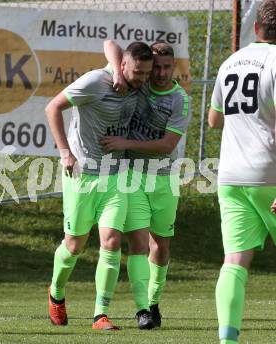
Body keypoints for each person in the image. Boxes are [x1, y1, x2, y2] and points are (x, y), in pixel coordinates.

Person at [45, 42, 153, 330]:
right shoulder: (95, 81)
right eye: (138, 73)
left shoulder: (137, 85)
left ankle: (100, 314)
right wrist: (65, 152)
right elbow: (52, 107)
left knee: (112, 241)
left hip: (115, 175)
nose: (143, 79)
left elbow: (113, 45)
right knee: (74, 245)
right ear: (123, 66)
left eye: (146, 73)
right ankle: (56, 292)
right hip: (82, 175)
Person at [100, 40, 191, 329]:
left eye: (167, 67)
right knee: (139, 242)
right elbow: (110, 44)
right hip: (132, 174)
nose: (161, 73)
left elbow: (167, 145)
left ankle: (154, 301)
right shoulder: (138, 81)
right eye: (157, 68)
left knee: (160, 245)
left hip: (164, 177)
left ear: (173, 66)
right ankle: (143, 311)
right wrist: (117, 71)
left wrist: (125, 142)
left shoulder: (180, 99)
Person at [208, 1, 276, 342]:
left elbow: (213, 120)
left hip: (232, 174)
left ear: (256, 28)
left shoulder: (229, 62)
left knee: (234, 261)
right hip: (270, 174)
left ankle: (227, 339)